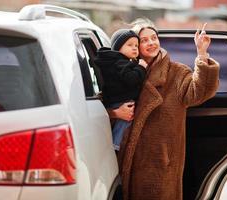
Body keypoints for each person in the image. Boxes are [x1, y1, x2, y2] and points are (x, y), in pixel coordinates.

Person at [115, 19, 220, 200]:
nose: (151, 43)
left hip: (160, 165)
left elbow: (200, 91)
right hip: (124, 159)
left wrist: (201, 53)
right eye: (144, 40)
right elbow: (102, 103)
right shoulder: (123, 73)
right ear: (134, 46)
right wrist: (114, 112)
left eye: (154, 38)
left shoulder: (176, 72)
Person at [94, 29, 148, 151]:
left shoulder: (115, 62)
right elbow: (131, 79)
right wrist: (141, 68)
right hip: (121, 100)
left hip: (115, 98)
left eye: (136, 45)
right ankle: (116, 145)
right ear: (118, 48)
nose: (134, 48)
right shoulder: (120, 62)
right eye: (130, 45)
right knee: (125, 122)